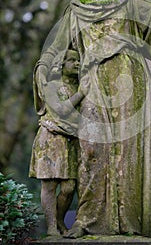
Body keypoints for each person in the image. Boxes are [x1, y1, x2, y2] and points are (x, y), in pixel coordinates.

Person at [35, 0, 151, 242]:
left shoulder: (130, 3)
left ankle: (127, 222)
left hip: (131, 84)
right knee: (91, 153)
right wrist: (43, 72)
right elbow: (56, 51)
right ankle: (86, 220)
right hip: (93, 88)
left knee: (127, 155)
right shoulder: (76, 10)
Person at [29, 49, 89, 237]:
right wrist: (80, 94)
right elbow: (61, 109)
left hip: (69, 141)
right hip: (50, 138)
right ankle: (52, 226)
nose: (77, 64)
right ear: (60, 65)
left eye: (78, 61)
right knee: (49, 185)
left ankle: (60, 219)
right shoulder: (53, 86)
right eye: (72, 60)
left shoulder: (77, 85)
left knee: (69, 186)